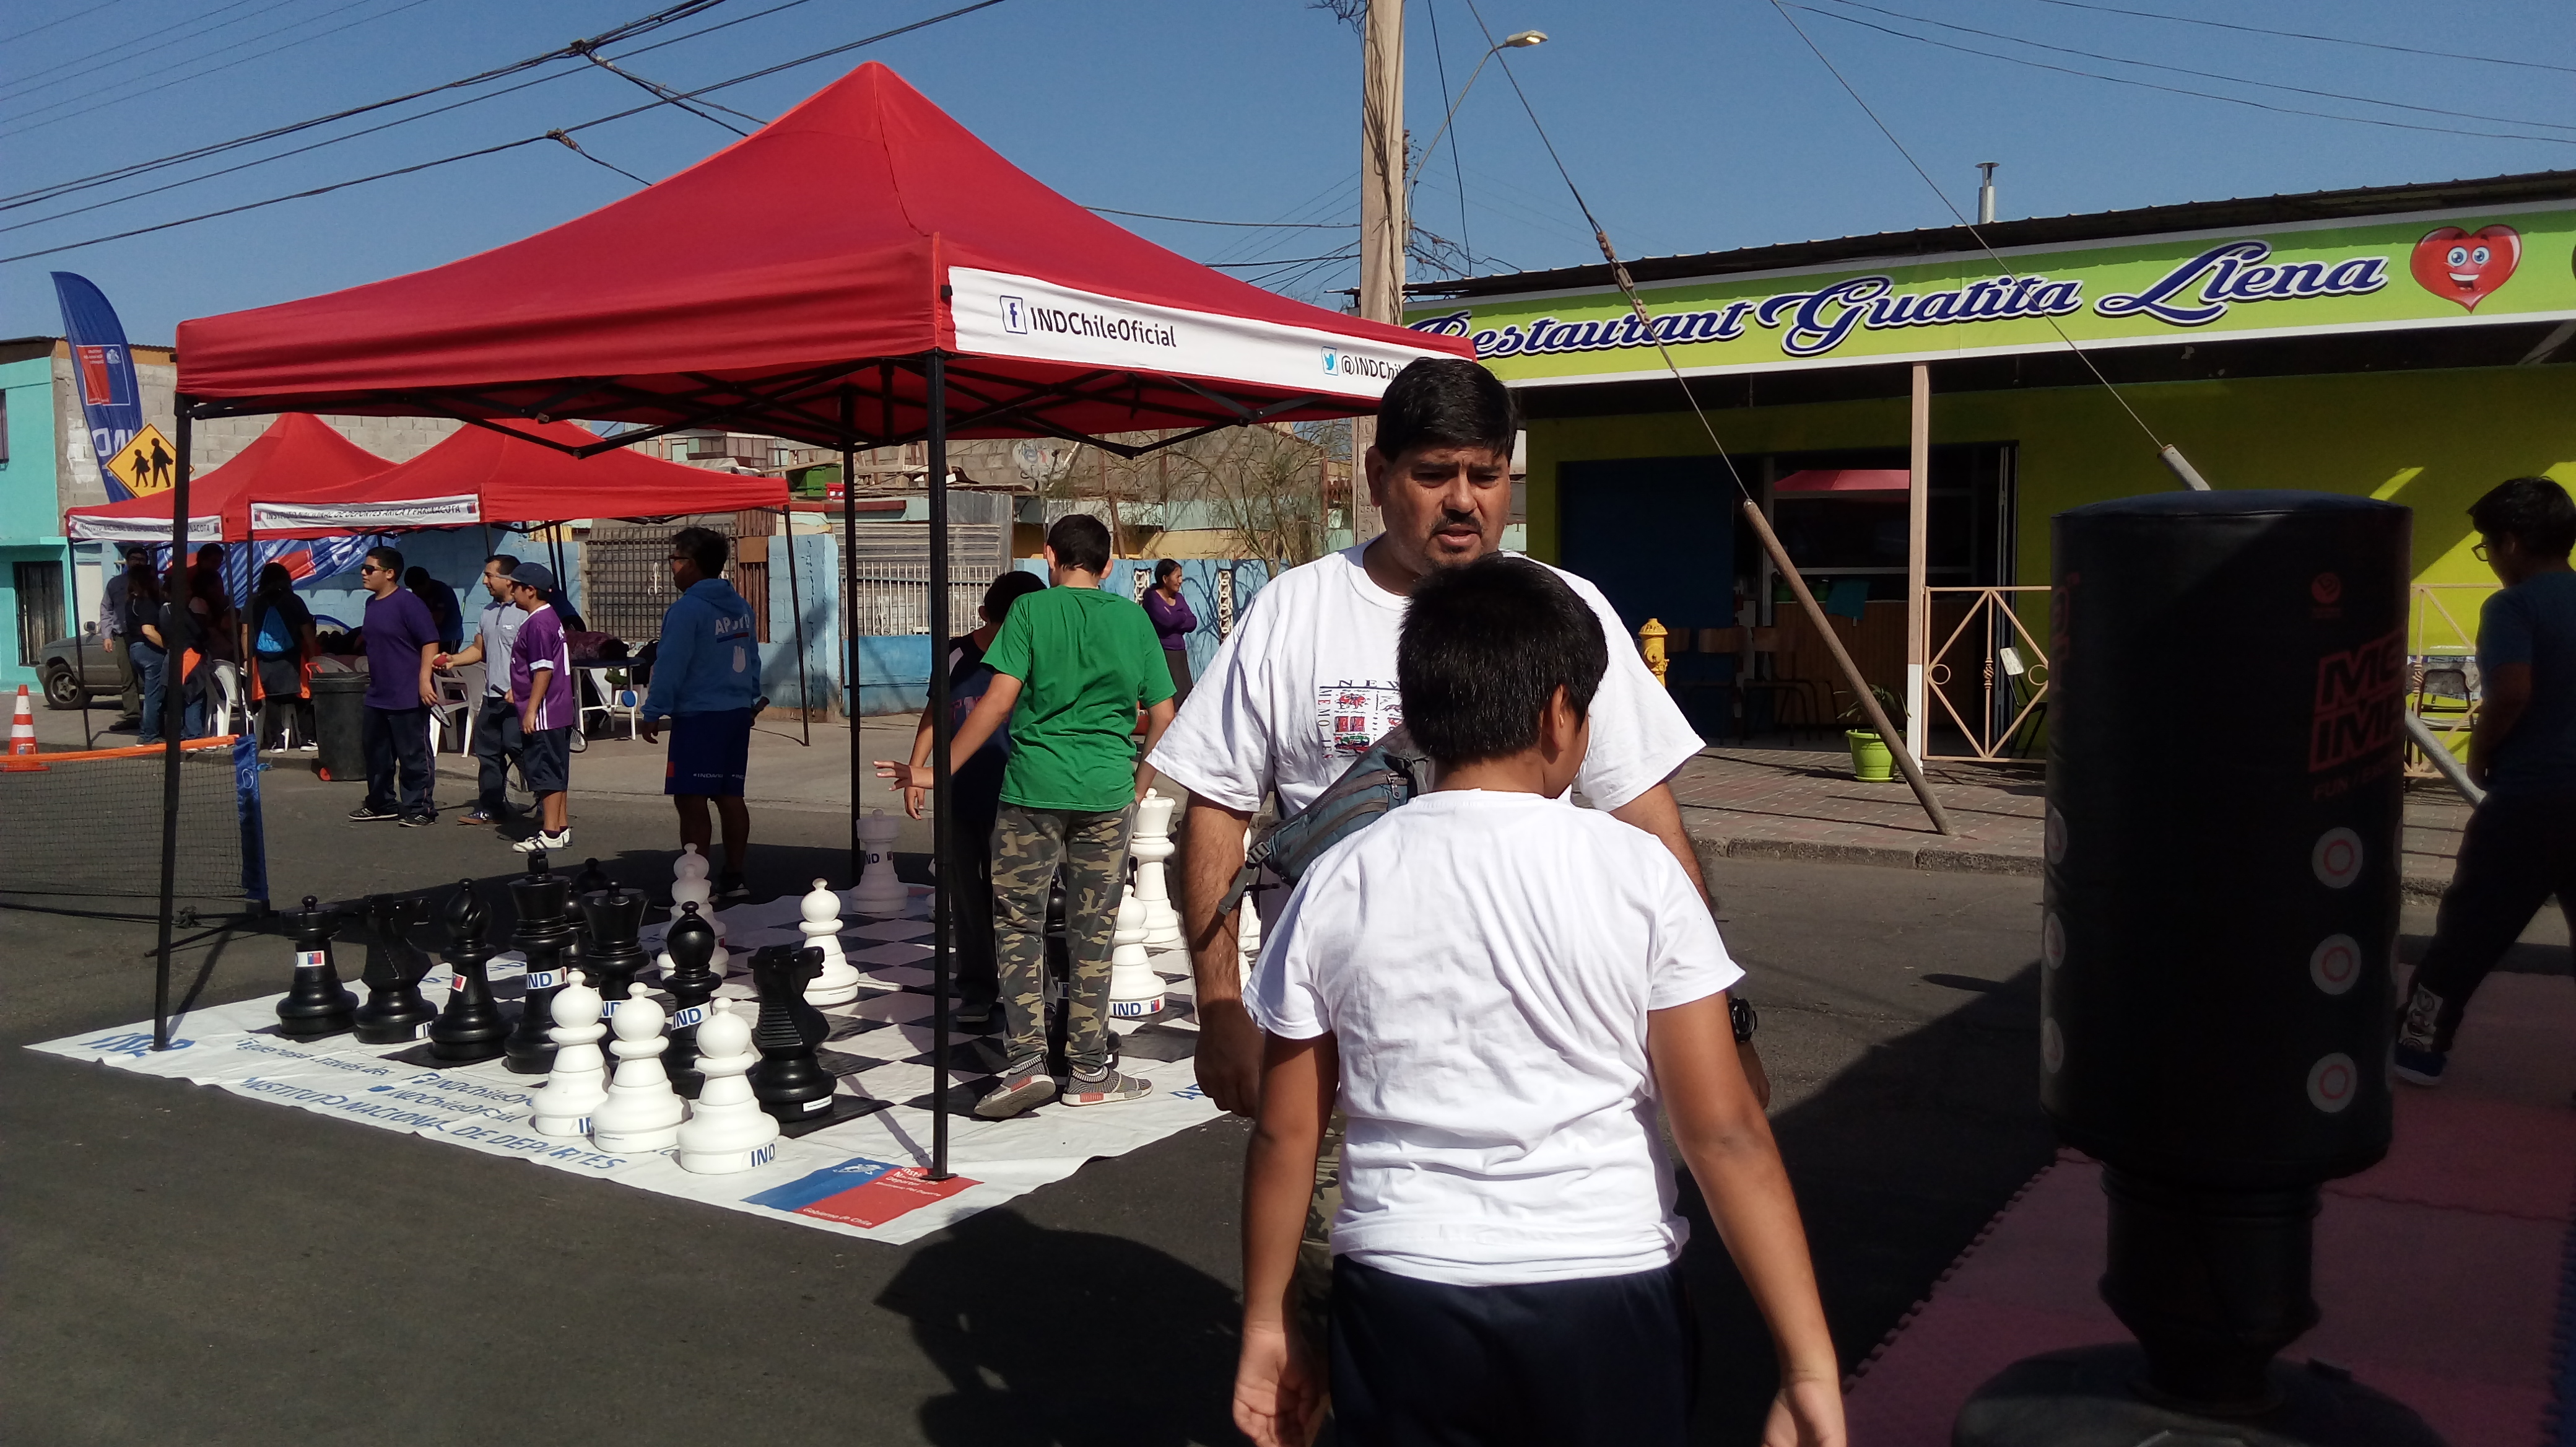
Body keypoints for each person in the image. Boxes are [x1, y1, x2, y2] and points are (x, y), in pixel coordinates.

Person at [1231, 557, 1841, 1447]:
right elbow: (1724, 1133)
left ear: (1420, 715)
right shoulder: (1641, 874)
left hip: (1402, 1287)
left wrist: (1267, 1323)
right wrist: (1807, 1363)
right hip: (1605, 1283)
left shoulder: (1337, 877)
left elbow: (1286, 1133)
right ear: (1560, 713)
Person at [1148, 357, 1763, 1114]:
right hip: (1336, 1051)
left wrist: (1722, 1017)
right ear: (1379, 477)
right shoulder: (1291, 612)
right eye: (1435, 473)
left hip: (1544, 1048)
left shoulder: (1566, 611)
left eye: (1486, 474)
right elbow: (1217, 809)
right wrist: (1219, 1007)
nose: (1464, 500)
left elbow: (1646, 817)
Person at [875, 515, 1178, 1119]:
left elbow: (996, 703)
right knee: (1093, 932)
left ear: (1048, 557)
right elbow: (1165, 715)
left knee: (1017, 925)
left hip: (1031, 792)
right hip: (1106, 793)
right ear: (1109, 564)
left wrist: (936, 773)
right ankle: (1089, 1070)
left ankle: (1025, 1065)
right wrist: (1136, 787)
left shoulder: (1030, 612)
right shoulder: (1134, 618)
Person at [2396, 476, 2576, 1084]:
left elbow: (2511, 690)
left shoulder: (2513, 607)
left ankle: (2418, 1047)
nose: (2491, 560)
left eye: (2486, 546)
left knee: (2469, 928)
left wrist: (2478, 753)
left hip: (2531, 800)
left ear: (2511, 542)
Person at [899, 569, 1050, 1026]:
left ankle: (1033, 991)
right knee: (967, 896)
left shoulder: (1040, 654)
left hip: (1022, 794)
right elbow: (935, 713)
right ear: (986, 615)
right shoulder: (955, 655)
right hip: (960, 795)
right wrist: (918, 771)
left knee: (1021, 899)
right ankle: (977, 989)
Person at [638, 527, 760, 901]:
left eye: (675, 560)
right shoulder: (740, 605)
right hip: (736, 712)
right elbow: (752, 658)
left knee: (691, 798)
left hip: (700, 716)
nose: (672, 567)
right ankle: (735, 877)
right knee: (728, 795)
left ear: (691, 564)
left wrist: (653, 709)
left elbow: (670, 664)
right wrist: (750, 699)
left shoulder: (687, 609)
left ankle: (696, 887)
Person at [347, 545, 442, 826]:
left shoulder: (409, 603)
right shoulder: (371, 604)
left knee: (413, 754)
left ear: (390, 573)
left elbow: (430, 642)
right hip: (378, 693)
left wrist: (424, 680)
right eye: (363, 568)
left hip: (407, 692)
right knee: (376, 754)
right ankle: (381, 803)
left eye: (370, 569)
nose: (364, 574)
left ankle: (420, 807)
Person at [433, 554, 529, 827]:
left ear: (509, 580)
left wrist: (524, 688)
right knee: (488, 754)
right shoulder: (487, 611)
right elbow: (479, 649)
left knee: (521, 750)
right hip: (492, 697)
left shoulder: (527, 613)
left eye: (490, 575)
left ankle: (547, 803)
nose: (485, 581)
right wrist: (452, 660)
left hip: (519, 699)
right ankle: (491, 807)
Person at [504, 563, 577, 854]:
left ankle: (550, 832)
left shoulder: (538, 623)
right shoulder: (548, 618)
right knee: (556, 770)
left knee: (546, 772)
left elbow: (544, 669)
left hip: (546, 711)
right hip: (556, 708)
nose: (511, 590)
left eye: (515, 586)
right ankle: (561, 827)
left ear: (530, 590)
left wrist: (531, 709)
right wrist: (519, 690)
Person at [242, 562, 318, 750]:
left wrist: (247, 658)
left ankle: (277, 741)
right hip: (292, 659)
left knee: (271, 697)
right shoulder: (293, 600)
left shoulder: (253, 602)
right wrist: (314, 655)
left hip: (263, 660)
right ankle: (307, 739)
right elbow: (307, 632)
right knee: (303, 695)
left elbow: (245, 632)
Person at [124, 558, 170, 746]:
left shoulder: (131, 601)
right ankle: (149, 734)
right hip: (149, 651)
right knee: (154, 695)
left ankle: (153, 731)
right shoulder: (147, 602)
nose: (157, 582)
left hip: (135, 649)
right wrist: (168, 646)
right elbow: (148, 630)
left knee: (151, 693)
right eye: (154, 578)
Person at [100, 546, 147, 728]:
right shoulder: (115, 583)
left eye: (141, 559)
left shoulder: (153, 582)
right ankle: (132, 716)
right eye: (134, 559)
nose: (137, 562)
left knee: (152, 678)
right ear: (127, 561)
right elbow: (106, 609)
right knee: (128, 678)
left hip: (147, 636)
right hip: (122, 635)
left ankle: (155, 716)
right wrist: (106, 636)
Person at [1144, 558, 1197, 706]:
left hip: (1179, 653)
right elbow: (1166, 621)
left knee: (1185, 698)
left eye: (1181, 577)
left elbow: (1193, 622)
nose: (1180, 581)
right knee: (1168, 698)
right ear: (1165, 578)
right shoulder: (1152, 598)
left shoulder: (1179, 598)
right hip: (1162, 653)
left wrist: (1175, 617)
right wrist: (1182, 616)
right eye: (1177, 577)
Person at [406, 566, 466, 654]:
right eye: (413, 589)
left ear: (426, 582)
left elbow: (437, 619)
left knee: (444, 661)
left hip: (449, 638)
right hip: (432, 637)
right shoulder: (420, 593)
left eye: (418, 589)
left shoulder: (442, 592)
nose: (415, 592)